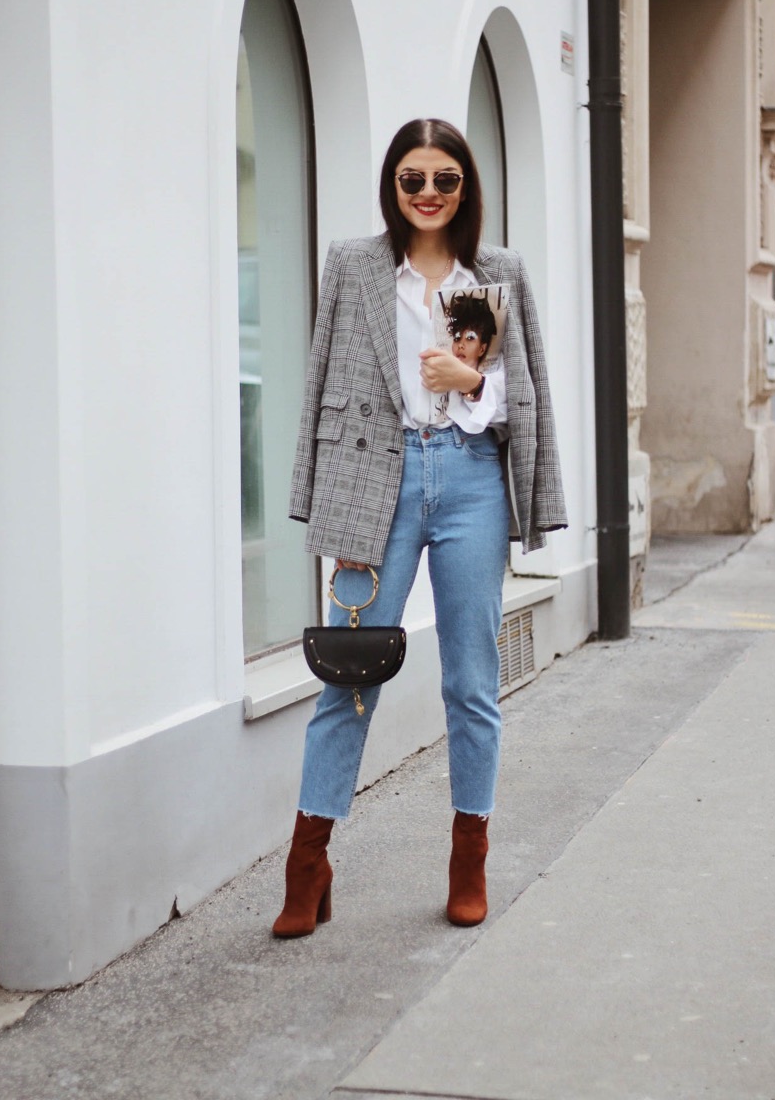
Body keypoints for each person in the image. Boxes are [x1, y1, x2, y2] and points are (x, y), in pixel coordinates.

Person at [273, 118, 567, 938]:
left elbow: (527, 396)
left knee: (471, 679)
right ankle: (308, 863)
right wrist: (326, 503)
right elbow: (321, 380)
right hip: (380, 479)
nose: (429, 193)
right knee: (349, 672)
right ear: (392, 187)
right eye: (413, 180)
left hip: (471, 479)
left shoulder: (496, 272)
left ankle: (469, 856)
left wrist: (472, 378)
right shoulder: (356, 266)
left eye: (445, 179)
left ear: (466, 188)